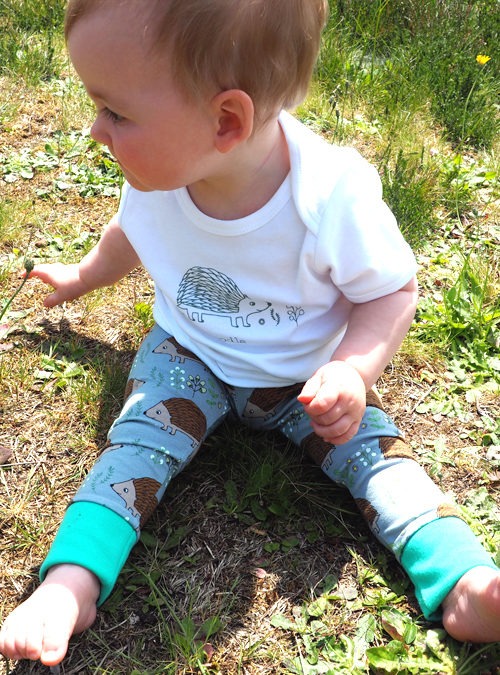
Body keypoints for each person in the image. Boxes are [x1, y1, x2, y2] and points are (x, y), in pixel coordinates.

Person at [1, 0, 499, 667]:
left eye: (116, 111)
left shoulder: (330, 197)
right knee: (135, 449)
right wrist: (82, 277)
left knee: (378, 459)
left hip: (306, 378)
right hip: (189, 357)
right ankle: (70, 582)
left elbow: (390, 291)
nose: (97, 130)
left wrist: (353, 370)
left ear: (227, 120)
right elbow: (130, 233)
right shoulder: (156, 174)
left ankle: (463, 578)